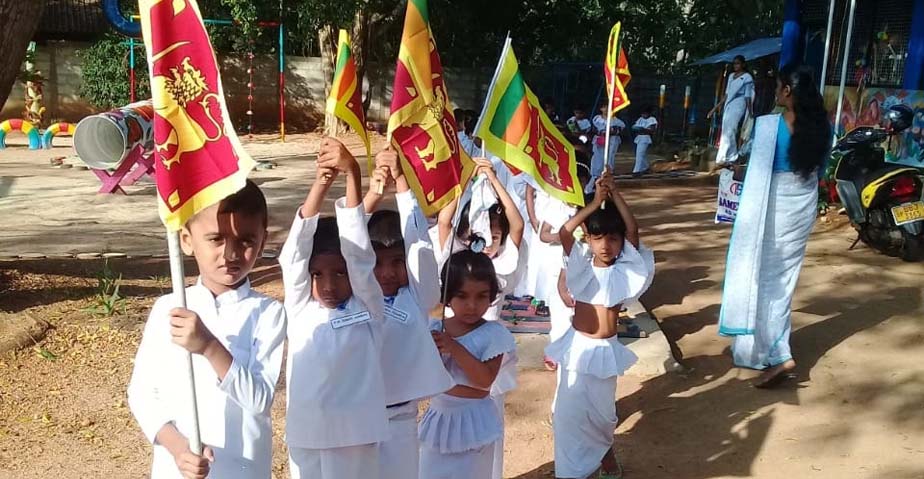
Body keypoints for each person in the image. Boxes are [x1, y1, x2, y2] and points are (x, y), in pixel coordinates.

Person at [127, 181, 287, 479]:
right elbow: (142, 394)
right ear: (187, 240)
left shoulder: (268, 314)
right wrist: (179, 449)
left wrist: (209, 347)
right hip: (178, 468)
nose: (230, 254)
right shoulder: (170, 308)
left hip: (243, 467)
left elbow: (259, 400)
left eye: (246, 241)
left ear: (263, 242)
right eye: (215, 239)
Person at [718, 64, 832, 388]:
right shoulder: (824, 128)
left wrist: (734, 174)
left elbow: (754, 167)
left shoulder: (769, 126)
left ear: (787, 92)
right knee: (784, 279)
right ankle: (765, 348)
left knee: (763, 277)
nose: (777, 91)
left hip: (772, 204)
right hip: (802, 204)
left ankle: (777, 353)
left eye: (780, 86)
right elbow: (819, 171)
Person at [279, 138, 387, 478]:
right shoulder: (300, 309)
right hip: (307, 434)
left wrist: (353, 174)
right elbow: (295, 253)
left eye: (340, 274)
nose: (328, 285)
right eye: (318, 274)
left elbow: (357, 250)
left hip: (356, 437)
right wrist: (321, 183)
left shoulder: (369, 308)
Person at [546, 171, 655, 479]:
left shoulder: (626, 270)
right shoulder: (581, 265)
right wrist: (595, 203)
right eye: (597, 238)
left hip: (606, 352)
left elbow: (633, 229)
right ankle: (570, 472)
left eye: (612, 238)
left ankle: (606, 460)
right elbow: (566, 232)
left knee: (602, 417)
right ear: (589, 240)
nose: (605, 245)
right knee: (570, 415)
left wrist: (615, 194)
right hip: (577, 349)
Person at [362, 149, 455, 479]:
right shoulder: (360, 295)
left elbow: (418, 244)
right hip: (357, 419)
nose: (386, 273)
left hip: (401, 419)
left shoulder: (416, 296)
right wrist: (374, 193)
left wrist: (402, 182)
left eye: (396, 262)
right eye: (376, 262)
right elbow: (349, 239)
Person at [419, 250, 518, 479]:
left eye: (481, 296)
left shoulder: (494, 334)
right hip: (439, 416)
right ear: (446, 295)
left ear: (492, 295)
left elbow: (484, 380)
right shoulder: (434, 328)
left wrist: (454, 348)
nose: (472, 305)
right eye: (462, 296)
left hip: (474, 420)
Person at [708, 55, 755, 165]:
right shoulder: (731, 76)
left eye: (738, 63)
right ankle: (727, 156)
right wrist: (714, 109)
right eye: (734, 63)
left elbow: (748, 96)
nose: (736, 66)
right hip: (729, 105)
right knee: (725, 129)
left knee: (732, 129)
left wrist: (750, 112)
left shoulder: (747, 77)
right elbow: (726, 95)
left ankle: (730, 156)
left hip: (740, 104)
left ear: (743, 64)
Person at [591, 105, 626, 178]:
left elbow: (620, 129)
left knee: (610, 156)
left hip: (612, 140)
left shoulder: (616, 120)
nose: (606, 109)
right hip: (599, 139)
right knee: (598, 156)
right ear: (601, 108)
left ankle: (608, 173)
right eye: (604, 107)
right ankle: (596, 173)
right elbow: (593, 129)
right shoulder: (597, 119)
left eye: (608, 107)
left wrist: (610, 131)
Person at [632, 106, 658, 175]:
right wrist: (639, 129)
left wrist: (643, 129)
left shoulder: (652, 119)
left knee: (639, 154)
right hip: (639, 137)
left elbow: (651, 130)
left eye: (645, 113)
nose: (643, 115)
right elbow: (634, 127)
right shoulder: (640, 119)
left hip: (645, 137)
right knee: (641, 154)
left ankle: (636, 170)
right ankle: (645, 167)